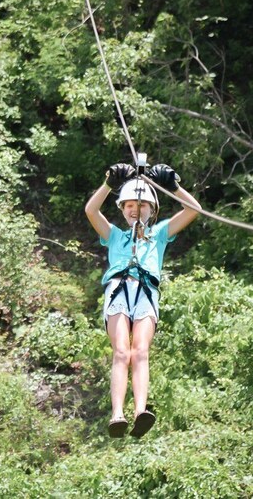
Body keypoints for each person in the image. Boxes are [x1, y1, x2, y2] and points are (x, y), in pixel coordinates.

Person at [84, 162, 201, 437]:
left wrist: (173, 187)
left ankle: (140, 411)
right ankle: (117, 414)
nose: (136, 210)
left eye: (143, 206)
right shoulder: (114, 236)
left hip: (146, 292)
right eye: (129, 207)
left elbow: (194, 209)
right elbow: (91, 210)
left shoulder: (158, 234)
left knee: (141, 352)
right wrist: (109, 184)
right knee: (122, 352)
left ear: (153, 210)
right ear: (123, 210)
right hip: (119, 291)